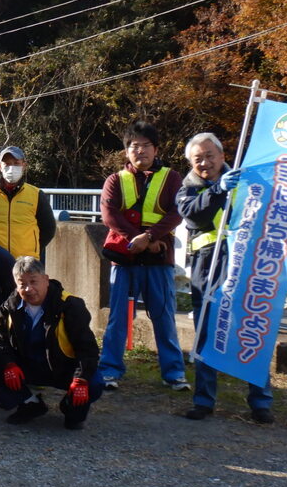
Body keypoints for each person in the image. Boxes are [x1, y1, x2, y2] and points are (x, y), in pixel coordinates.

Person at [177, 132, 274, 424]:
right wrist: (218, 190)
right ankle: (204, 401)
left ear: (222, 155)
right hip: (207, 267)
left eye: (210, 156)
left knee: (251, 329)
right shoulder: (187, 188)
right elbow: (193, 215)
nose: (204, 163)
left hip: (246, 264)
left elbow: (282, 192)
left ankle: (261, 402)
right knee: (207, 334)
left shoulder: (248, 180)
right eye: (198, 159)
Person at [96, 121, 189, 392]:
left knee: (164, 317)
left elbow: (177, 212)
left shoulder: (172, 178)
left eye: (146, 145)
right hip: (125, 259)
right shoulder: (115, 180)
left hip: (159, 259)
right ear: (126, 151)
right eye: (134, 146)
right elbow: (109, 215)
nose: (140, 151)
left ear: (156, 149)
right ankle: (110, 370)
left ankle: (173, 373)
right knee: (118, 318)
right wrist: (139, 239)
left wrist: (148, 237)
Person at [0, 257, 104, 429]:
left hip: (63, 367)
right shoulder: (9, 305)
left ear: (46, 280)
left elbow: (87, 348)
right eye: (22, 284)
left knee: (95, 383)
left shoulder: (69, 305)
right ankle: (29, 403)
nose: (28, 289)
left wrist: (81, 379)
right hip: (27, 365)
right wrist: (9, 364)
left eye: (33, 282)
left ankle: (70, 407)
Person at [0, 146, 57, 260]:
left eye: (16, 163)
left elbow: (48, 228)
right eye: (7, 164)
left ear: (24, 165)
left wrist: (34, 249)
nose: (11, 168)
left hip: (26, 262)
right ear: (0, 167)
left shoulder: (36, 194)